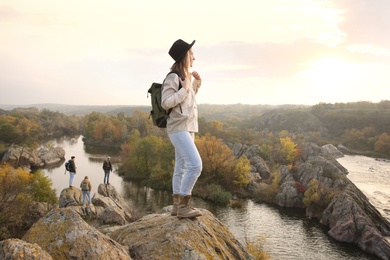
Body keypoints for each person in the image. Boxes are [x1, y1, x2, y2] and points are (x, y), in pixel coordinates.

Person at [161, 39, 203, 219]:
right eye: (191, 53)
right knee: (195, 165)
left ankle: (176, 206)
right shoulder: (173, 77)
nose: (194, 56)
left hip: (187, 128)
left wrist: (194, 86)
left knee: (181, 167)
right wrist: (185, 89)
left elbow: (186, 103)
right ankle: (184, 206)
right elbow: (166, 103)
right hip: (178, 129)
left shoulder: (185, 77)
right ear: (185, 56)